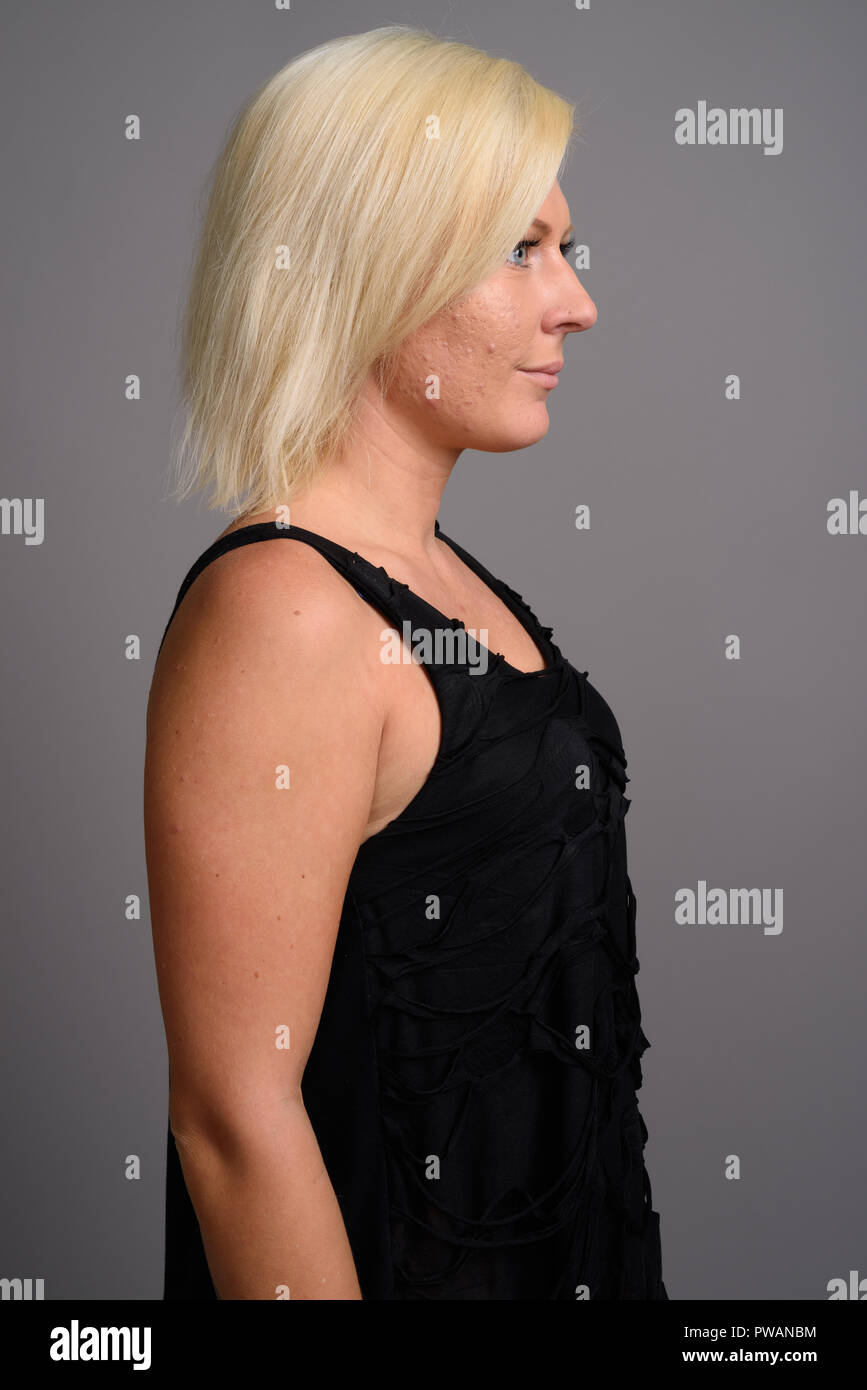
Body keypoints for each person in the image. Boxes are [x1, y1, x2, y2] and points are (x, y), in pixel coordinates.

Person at [144, 24, 667, 1300]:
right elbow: (234, 1123)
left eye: (566, 248)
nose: (577, 302)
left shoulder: (448, 576)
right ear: (374, 264)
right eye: (520, 250)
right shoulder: (290, 607)